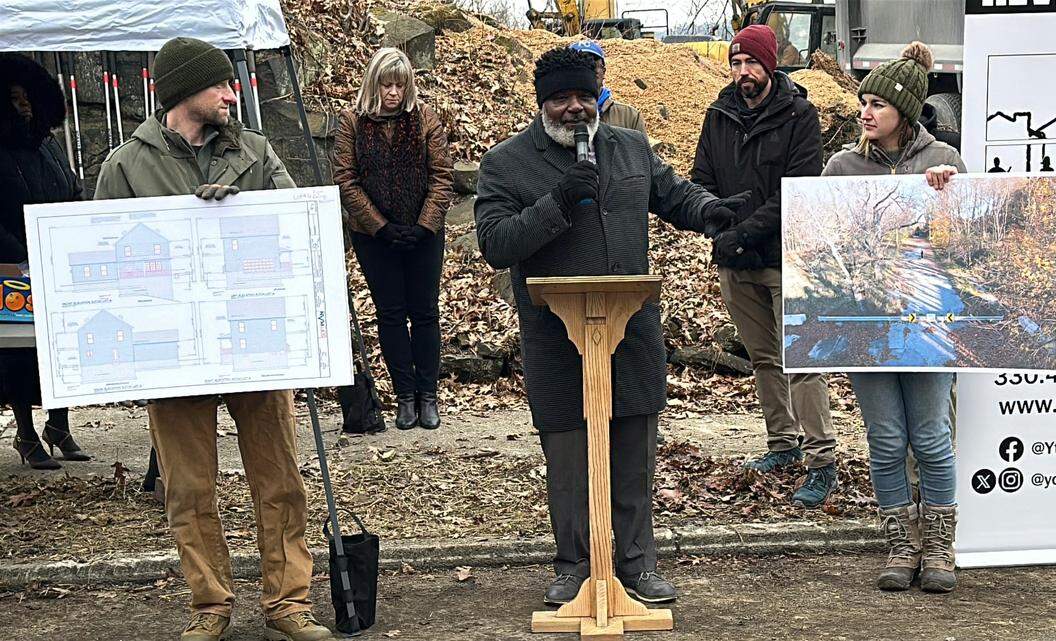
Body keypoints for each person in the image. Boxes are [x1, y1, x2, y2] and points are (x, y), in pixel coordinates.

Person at [475, 47, 745, 607]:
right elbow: (496, 243)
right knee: (571, 455)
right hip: (557, 338)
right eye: (560, 98)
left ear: (597, 96)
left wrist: (712, 211)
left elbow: (675, 195)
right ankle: (575, 563)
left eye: (583, 96)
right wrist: (557, 202)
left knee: (633, 448)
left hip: (631, 331)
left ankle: (637, 563)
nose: (574, 108)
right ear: (542, 102)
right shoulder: (507, 162)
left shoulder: (629, 147)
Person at [93, 37, 331, 641]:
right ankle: (210, 606)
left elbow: (299, 229)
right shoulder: (125, 166)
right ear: (184, 93)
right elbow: (102, 262)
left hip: (257, 341)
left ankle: (288, 603)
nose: (233, 95)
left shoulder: (255, 152)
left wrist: (244, 210)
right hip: (173, 353)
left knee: (279, 478)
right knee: (189, 486)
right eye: (221, 85)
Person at [822, 41, 966, 594]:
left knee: (930, 436)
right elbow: (822, 242)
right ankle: (899, 546)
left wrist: (947, 198)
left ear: (903, 111)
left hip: (930, 327)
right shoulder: (840, 166)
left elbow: (971, 245)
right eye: (863, 101)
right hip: (867, 326)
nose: (865, 111)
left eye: (877, 104)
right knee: (884, 440)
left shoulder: (944, 161)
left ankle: (939, 546)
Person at [691, 24, 837, 508]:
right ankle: (782, 443)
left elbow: (796, 192)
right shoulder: (718, 115)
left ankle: (822, 461)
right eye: (735, 63)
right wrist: (719, 229)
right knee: (763, 358)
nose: (742, 72)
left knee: (803, 361)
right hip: (734, 260)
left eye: (750, 62)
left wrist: (741, 233)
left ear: (769, 64)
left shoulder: (800, 116)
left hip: (787, 256)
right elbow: (702, 179)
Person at [332, 47, 453, 431]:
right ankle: (404, 397)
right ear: (374, 84)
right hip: (375, 236)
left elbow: (442, 175)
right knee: (390, 314)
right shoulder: (352, 122)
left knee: (425, 312)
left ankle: (427, 395)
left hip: (422, 233)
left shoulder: (424, 120)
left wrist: (423, 225)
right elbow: (345, 179)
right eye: (387, 84)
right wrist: (380, 226)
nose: (394, 93)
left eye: (400, 85)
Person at [0, 53, 86, 470]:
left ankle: (59, 425)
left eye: (29, 96)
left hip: (55, 263)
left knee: (62, 346)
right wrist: (17, 256)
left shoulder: (47, 146)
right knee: (19, 351)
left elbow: (71, 189)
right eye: (15, 98)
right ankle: (26, 432)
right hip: (11, 270)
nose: (25, 105)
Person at [568, 40, 647, 135]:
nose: (587, 71)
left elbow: (640, 149)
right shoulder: (557, 114)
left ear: (603, 71)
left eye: (593, 65)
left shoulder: (629, 116)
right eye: (580, 64)